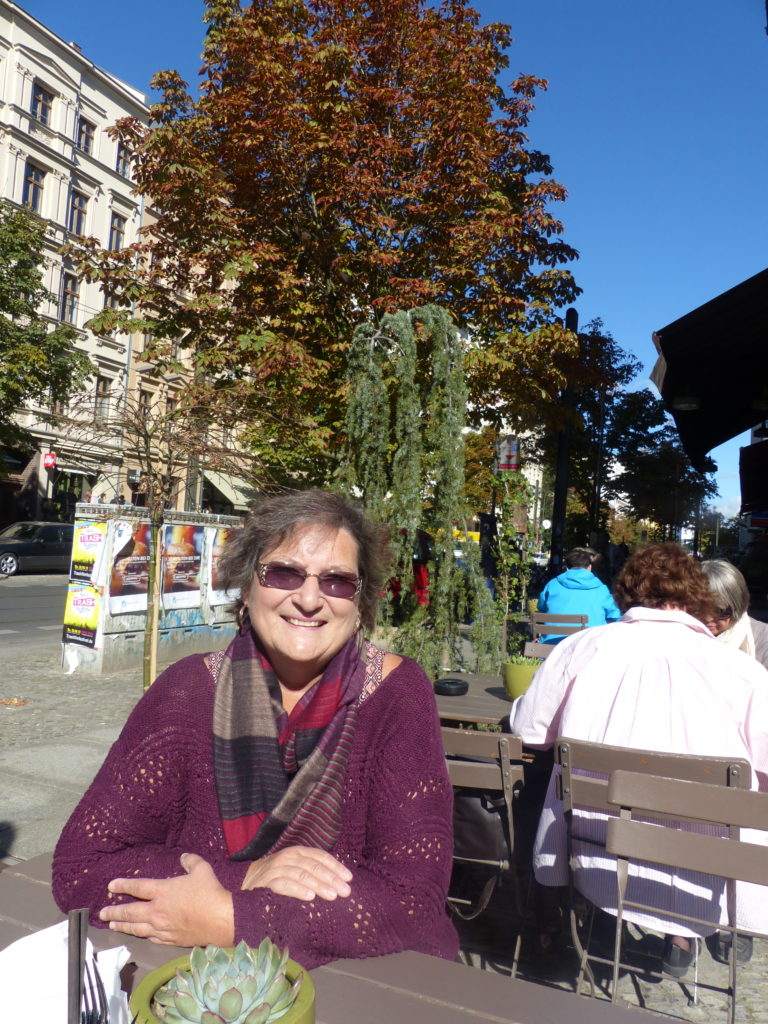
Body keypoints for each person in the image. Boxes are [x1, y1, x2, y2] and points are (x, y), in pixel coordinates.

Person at [53, 489, 458, 967]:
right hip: (198, 986)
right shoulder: (185, 693)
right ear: (247, 587)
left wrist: (232, 917)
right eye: (283, 573)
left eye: (337, 582)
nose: (309, 599)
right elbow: (81, 868)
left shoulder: (396, 694)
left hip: (359, 988)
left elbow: (414, 903)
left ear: (361, 602)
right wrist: (248, 876)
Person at [512, 543, 768, 978]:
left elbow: (529, 731)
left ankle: (570, 925)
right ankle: (688, 936)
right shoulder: (741, 671)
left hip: (593, 853)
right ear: (695, 598)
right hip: (705, 874)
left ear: (626, 593)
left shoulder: (581, 647)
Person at [536, 546, 620, 641]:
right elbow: (615, 615)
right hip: (589, 648)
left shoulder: (552, 585)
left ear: (567, 568)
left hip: (552, 647)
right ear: (590, 567)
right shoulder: (601, 589)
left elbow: (541, 608)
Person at [701, 559, 768, 670]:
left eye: (720, 611)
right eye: (699, 610)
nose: (708, 618)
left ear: (739, 605)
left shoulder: (763, 638)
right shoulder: (679, 637)